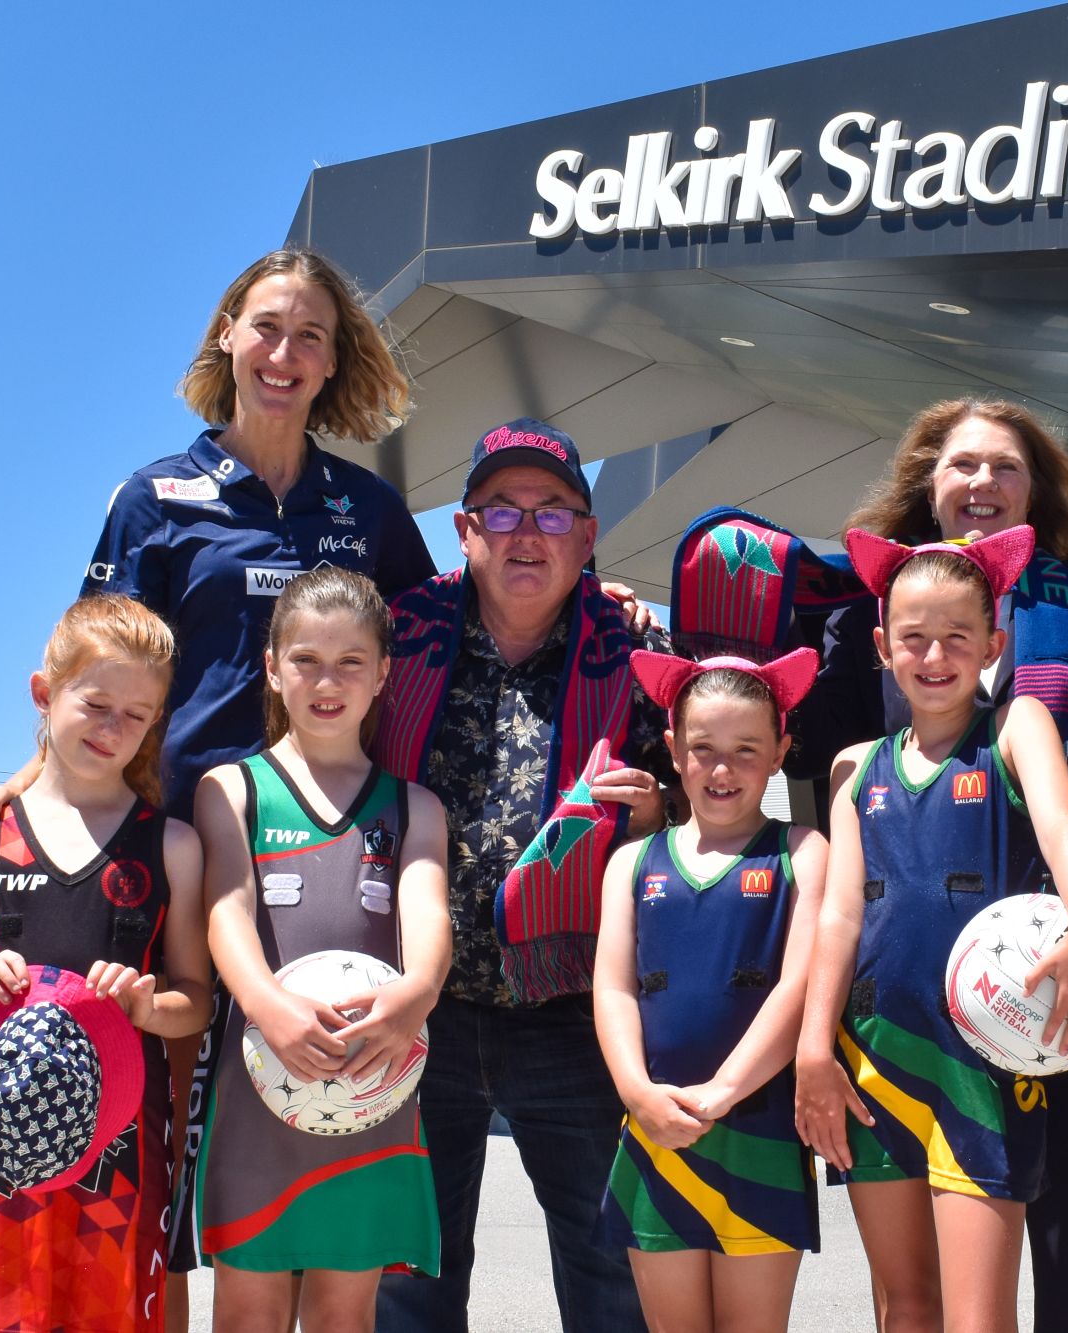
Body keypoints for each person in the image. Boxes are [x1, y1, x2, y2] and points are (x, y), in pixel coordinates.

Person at [0, 247, 440, 1328]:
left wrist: (600, 597)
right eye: (266, 327)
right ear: (226, 335)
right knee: (144, 1166)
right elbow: (91, 656)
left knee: (310, 1142)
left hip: (311, 861)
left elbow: (442, 636)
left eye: (310, 335)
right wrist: (16, 790)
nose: (284, 353)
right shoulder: (155, 494)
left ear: (333, 357)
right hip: (168, 862)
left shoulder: (372, 510)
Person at [793, 398, 1068, 1330]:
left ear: (1034, 488)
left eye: (1004, 467)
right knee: (924, 1287)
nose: (982, 483)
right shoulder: (868, 624)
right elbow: (794, 741)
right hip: (919, 988)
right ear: (930, 489)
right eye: (962, 466)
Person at [373, 418, 675, 1333]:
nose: (527, 532)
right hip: (419, 1008)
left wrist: (659, 811)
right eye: (501, 512)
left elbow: (715, 808)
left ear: (588, 537)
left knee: (609, 1270)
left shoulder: (638, 657)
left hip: (572, 1015)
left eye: (552, 513)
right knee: (410, 1271)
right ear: (464, 531)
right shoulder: (395, 638)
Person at [796, 525, 1068, 1333]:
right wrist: (811, 1049)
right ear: (881, 645)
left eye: (956, 637)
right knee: (905, 1309)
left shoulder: (1017, 726)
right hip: (872, 1058)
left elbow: (1063, 830)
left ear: (994, 643)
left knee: (978, 1320)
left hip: (984, 1064)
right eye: (912, 638)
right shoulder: (852, 767)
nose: (933, 655)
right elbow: (837, 915)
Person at [0, 595, 210, 1332]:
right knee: (8, 1312)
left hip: (125, 1146)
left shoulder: (171, 845)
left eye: (137, 714)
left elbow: (196, 998)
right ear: (45, 693)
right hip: (9, 1139)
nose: (114, 728)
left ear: (156, 723)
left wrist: (148, 1005)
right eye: (97, 703)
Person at [191, 566, 451, 1332]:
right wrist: (268, 1004)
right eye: (305, 657)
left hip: (370, 1088)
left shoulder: (414, 806)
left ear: (382, 675)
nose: (326, 679)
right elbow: (226, 910)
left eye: (350, 661)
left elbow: (428, 916)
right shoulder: (230, 789)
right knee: (248, 1309)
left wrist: (416, 995)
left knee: (346, 1309)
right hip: (260, 1088)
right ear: (272, 668)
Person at [591, 649, 829, 1330]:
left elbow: (800, 986)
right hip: (655, 1128)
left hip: (759, 1133)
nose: (722, 769)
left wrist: (723, 1093)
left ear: (781, 749)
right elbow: (612, 989)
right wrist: (638, 1092)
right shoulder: (632, 862)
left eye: (746, 749)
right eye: (703, 748)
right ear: (672, 749)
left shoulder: (804, 850)